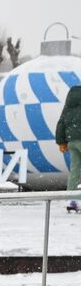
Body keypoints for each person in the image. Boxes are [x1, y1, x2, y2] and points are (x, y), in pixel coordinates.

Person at [56, 84, 81, 213]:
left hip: (72, 141)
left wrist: (61, 141)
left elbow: (61, 123)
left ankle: (71, 199)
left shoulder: (68, 106)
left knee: (75, 170)